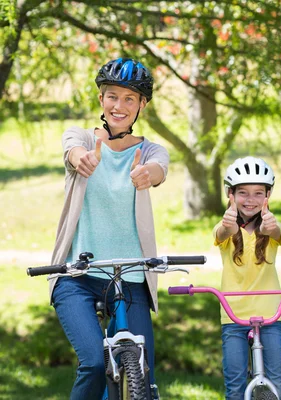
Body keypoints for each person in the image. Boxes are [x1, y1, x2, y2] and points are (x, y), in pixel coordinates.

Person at [48, 57, 169, 400]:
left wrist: (148, 175)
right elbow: (71, 150)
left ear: (142, 105)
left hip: (130, 278)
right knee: (95, 364)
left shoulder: (150, 150)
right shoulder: (83, 139)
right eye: (112, 96)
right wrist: (80, 158)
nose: (120, 105)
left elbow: (159, 168)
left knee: (143, 374)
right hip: (77, 277)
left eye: (130, 98)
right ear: (101, 99)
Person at [214, 156, 281, 398]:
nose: (250, 200)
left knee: (278, 381)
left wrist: (271, 228)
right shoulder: (225, 226)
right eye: (243, 193)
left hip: (269, 314)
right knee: (235, 384)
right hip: (233, 315)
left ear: (268, 196)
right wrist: (229, 225)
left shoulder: (272, 226)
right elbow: (220, 232)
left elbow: (277, 232)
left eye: (259, 193)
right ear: (231, 194)